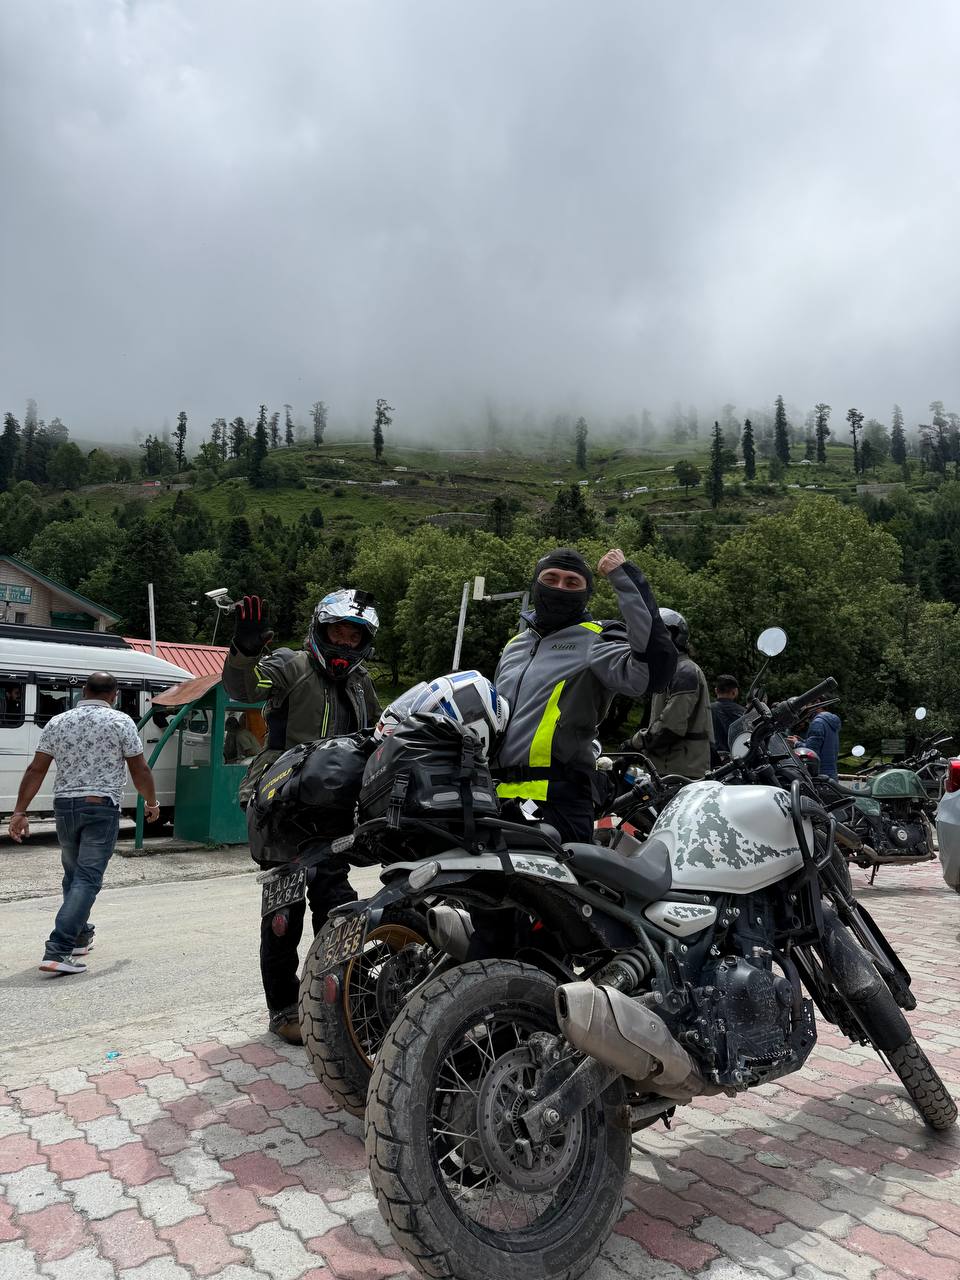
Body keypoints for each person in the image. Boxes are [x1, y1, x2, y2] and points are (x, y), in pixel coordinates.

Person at [221, 588, 381, 1043]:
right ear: (320, 628)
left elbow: (377, 734)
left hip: (332, 812)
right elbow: (245, 687)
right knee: (283, 916)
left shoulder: (360, 683)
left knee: (338, 908)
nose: (345, 643)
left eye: (355, 636)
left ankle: (342, 997)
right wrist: (246, 651)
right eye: (338, 632)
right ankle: (284, 1009)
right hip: (282, 805)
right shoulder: (290, 665)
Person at [493, 547, 676, 843]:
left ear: (586, 593)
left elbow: (654, 672)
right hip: (497, 796)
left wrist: (625, 578)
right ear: (535, 584)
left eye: (572, 582)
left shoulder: (597, 637)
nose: (559, 588)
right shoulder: (515, 645)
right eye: (550, 579)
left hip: (558, 801)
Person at [7, 672, 160, 975]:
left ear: (84, 691)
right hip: (100, 807)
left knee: (74, 876)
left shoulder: (58, 722)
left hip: (65, 808)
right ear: (113, 695)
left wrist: (19, 811)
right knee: (88, 879)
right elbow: (139, 768)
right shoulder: (121, 722)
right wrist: (151, 802)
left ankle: (79, 936)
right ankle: (58, 949)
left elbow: (36, 769)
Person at [623, 609, 713, 779]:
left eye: (657, 635)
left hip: (679, 771)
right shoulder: (671, 670)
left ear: (674, 636)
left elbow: (671, 726)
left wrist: (634, 743)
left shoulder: (684, 671)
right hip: (670, 767)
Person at [710, 674, 746, 766]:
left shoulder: (706, 710)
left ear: (716, 690)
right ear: (734, 692)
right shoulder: (743, 713)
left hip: (711, 762)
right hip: (738, 762)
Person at [798, 706, 841, 779]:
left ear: (818, 703)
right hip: (831, 774)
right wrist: (803, 741)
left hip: (819, 775)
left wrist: (796, 743)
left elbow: (811, 752)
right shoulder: (830, 722)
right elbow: (823, 745)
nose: (807, 709)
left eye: (809, 704)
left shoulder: (818, 723)